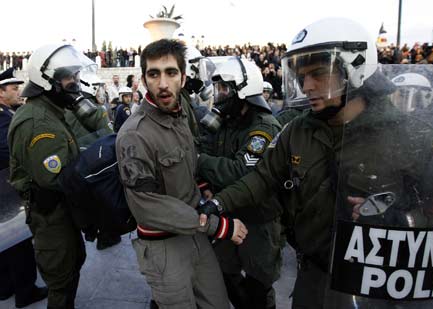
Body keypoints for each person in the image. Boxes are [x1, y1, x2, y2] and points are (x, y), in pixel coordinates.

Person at [197, 18, 433, 308]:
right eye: (302, 77)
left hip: (378, 282)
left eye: (318, 73)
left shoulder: (414, 138)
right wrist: (219, 203)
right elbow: (262, 179)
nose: (307, 86)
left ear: (355, 69)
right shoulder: (297, 131)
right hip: (313, 278)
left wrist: (404, 220)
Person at [115, 38, 248, 309]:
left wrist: (201, 185)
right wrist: (218, 227)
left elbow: (186, 161)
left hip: (195, 234)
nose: (163, 83)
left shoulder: (180, 116)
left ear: (183, 77)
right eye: (154, 74)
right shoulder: (134, 135)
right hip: (164, 248)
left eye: (171, 72)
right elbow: (147, 207)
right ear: (143, 79)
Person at [8, 43, 104, 309]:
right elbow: (55, 177)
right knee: (61, 281)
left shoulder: (50, 112)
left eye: (75, 75)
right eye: (68, 77)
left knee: (72, 264)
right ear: (46, 80)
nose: (74, 83)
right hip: (51, 216)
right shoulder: (39, 123)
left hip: (62, 213)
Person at [197, 57, 283, 309]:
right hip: (227, 214)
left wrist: (200, 161)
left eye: (225, 89)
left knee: (259, 285)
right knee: (224, 275)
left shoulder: (264, 128)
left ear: (244, 90)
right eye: (218, 89)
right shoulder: (225, 122)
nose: (220, 95)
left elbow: (238, 172)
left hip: (259, 219)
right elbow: (203, 145)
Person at [0, 68, 49, 308]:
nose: (18, 91)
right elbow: (7, 152)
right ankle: (25, 291)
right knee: (18, 242)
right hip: (7, 189)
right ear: (0, 94)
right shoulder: (2, 117)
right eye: (13, 88)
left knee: (5, 241)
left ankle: (5, 287)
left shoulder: (8, 112)